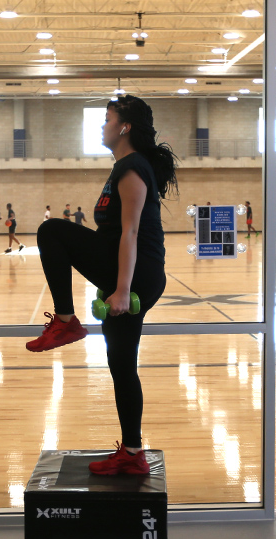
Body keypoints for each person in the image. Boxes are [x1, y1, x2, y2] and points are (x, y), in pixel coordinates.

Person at [28, 94, 175, 476]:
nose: (102, 124)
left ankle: (65, 320)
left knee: (51, 232)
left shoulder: (131, 168)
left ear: (124, 127)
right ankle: (133, 452)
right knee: (121, 363)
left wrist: (122, 289)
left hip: (135, 272)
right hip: (125, 271)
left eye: (107, 118)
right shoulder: (126, 167)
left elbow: (130, 232)